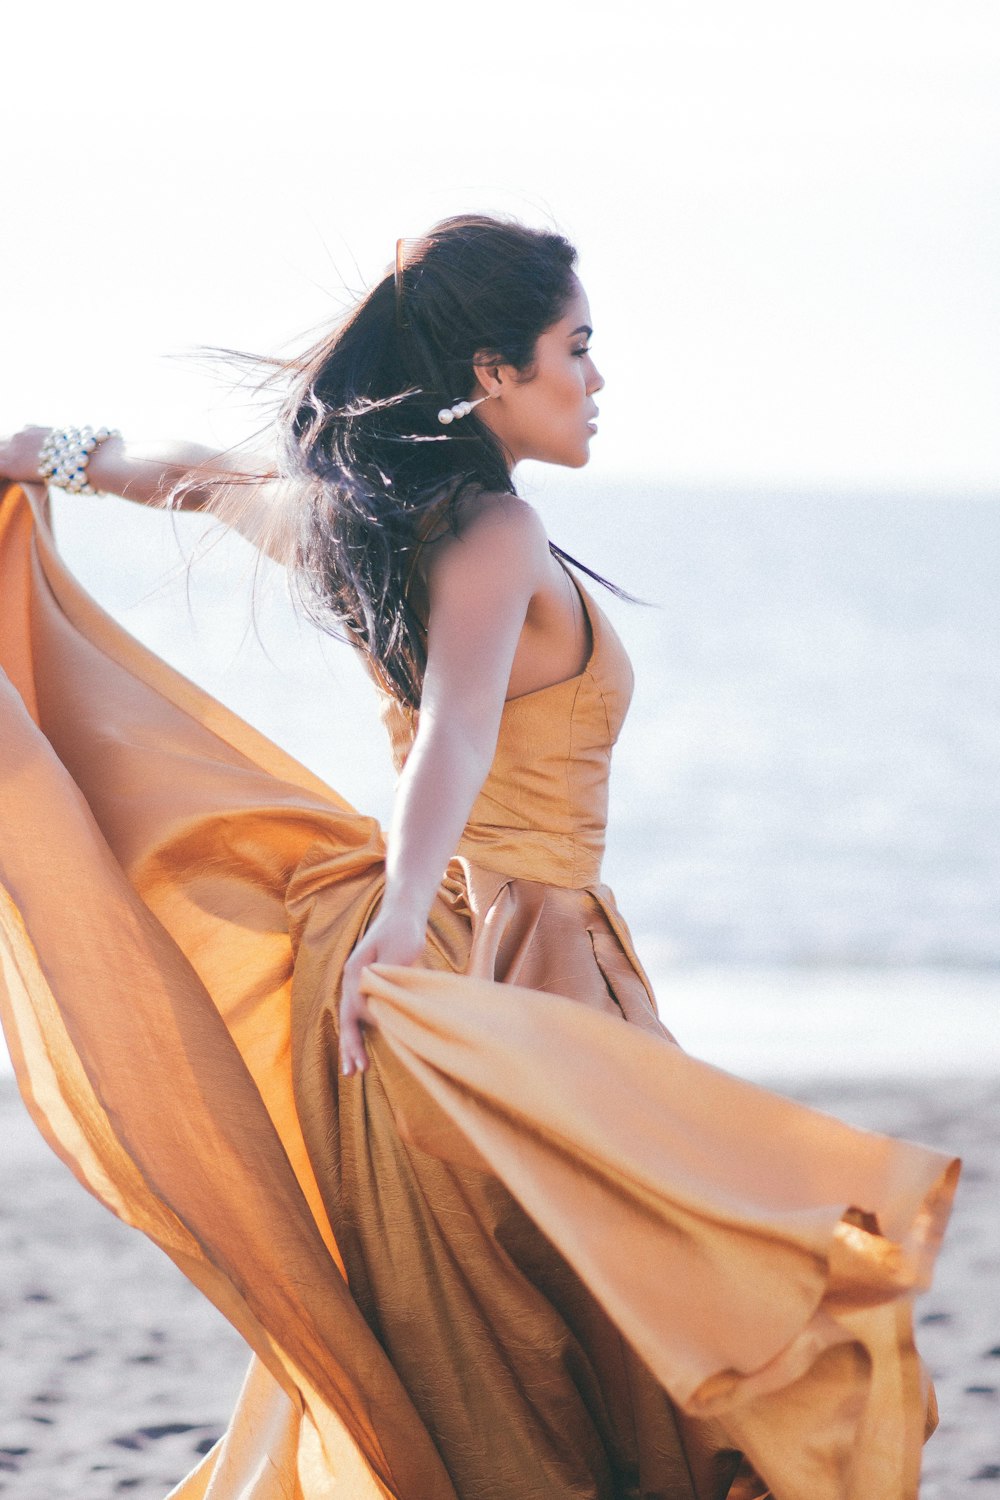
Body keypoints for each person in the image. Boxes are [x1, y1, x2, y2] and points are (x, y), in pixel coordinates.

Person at [0, 214, 958, 1500]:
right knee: (653, 1311)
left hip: (409, 969)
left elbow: (172, 472)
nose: (598, 380)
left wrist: (36, 455)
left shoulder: (349, 521)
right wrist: (404, 922)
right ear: (493, 376)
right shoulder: (494, 535)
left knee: (481, 1329)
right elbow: (451, 736)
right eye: (578, 347)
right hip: (511, 971)